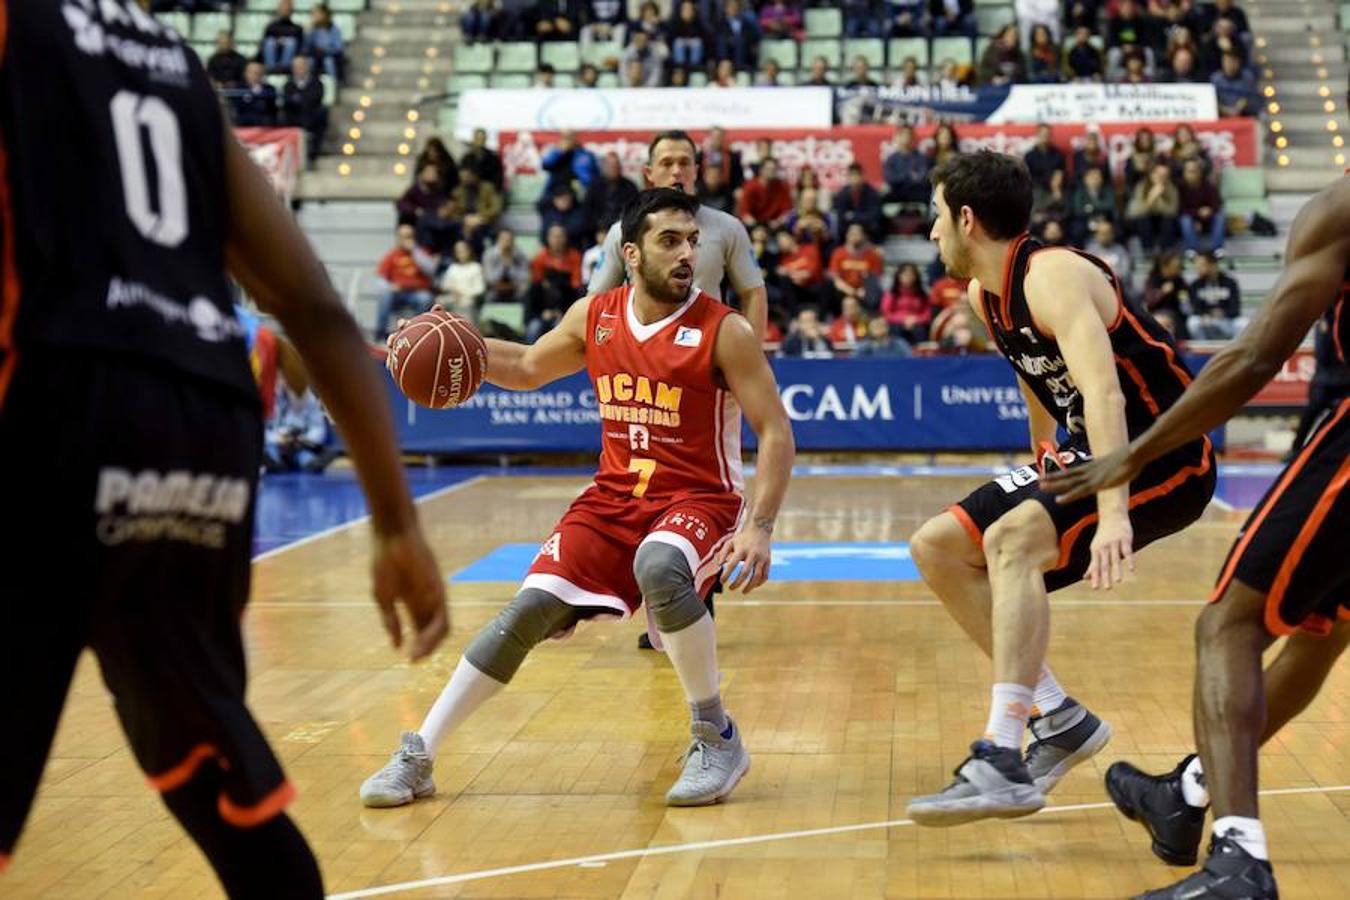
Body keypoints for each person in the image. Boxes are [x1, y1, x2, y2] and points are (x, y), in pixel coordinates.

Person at [0, 5, 446, 895]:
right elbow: (314, 305)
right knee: (214, 780)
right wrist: (397, 524)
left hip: (54, 396)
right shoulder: (169, 59)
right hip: (200, 424)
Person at [360, 188, 794, 809]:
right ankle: (419, 754)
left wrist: (761, 526)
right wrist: (454, 346)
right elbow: (529, 366)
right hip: (613, 497)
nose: (687, 256)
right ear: (631, 253)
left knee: (659, 565)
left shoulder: (726, 331)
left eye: (693, 243)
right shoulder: (596, 314)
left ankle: (716, 734)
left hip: (700, 498)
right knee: (526, 611)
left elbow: (776, 431)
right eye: (670, 241)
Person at [1041, 177, 1350, 900]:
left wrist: (1133, 453)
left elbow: (1253, 359)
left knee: (1227, 625)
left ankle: (1240, 861)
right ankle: (1186, 792)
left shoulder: (1338, 209)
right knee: (1319, 630)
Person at [905, 152, 1216, 826]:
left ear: (966, 218)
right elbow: (1038, 383)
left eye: (936, 218)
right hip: (1086, 448)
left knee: (1011, 541)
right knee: (936, 547)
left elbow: (1103, 391)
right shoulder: (984, 296)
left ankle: (1003, 753)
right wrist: (1039, 465)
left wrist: (1113, 515)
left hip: (1163, 452)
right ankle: (1061, 717)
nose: (931, 235)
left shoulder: (1054, 276)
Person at [589, 131, 767, 344]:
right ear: (649, 173)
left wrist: (750, 353)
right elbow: (597, 301)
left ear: (696, 170)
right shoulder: (621, 231)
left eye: (684, 163)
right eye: (666, 163)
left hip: (705, 354)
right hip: (642, 355)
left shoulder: (728, 227)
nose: (676, 171)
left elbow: (753, 293)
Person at [375, 225, 437, 339]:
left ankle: (417, 334)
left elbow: (430, 270)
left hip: (417, 292)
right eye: (403, 237)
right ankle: (380, 334)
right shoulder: (392, 254)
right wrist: (389, 287)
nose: (406, 239)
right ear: (398, 238)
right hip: (397, 294)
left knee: (425, 298)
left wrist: (414, 251)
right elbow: (381, 278)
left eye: (409, 236)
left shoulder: (420, 252)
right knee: (384, 295)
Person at [526, 224, 584, 342]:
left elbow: (576, 287)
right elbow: (536, 289)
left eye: (560, 236)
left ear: (566, 238)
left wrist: (563, 312)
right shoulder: (539, 258)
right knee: (534, 328)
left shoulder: (575, 257)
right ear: (548, 238)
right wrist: (541, 313)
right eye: (554, 236)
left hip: (565, 309)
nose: (557, 239)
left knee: (560, 330)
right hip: (543, 309)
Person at [263, 383, 335, 474]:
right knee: (271, 453)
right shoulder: (271, 398)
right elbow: (263, 430)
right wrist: (278, 438)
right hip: (277, 443)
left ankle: (311, 462)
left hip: (301, 444)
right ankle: (275, 463)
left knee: (306, 459)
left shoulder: (310, 399)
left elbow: (318, 430)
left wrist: (303, 439)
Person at [1186, 251, 1246, 339]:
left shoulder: (1230, 283)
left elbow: (1235, 307)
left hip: (1226, 320)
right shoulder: (1195, 285)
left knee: (1243, 323)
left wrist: (1223, 313)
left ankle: (1233, 350)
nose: (1197, 268)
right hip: (1206, 321)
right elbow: (1195, 308)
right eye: (1196, 265)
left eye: (1201, 265)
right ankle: (1202, 350)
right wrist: (1207, 314)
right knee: (1193, 322)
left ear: (1212, 265)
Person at [280, 55, 327, 166]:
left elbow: (316, 98)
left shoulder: (317, 83)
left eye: (301, 66)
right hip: (293, 115)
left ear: (307, 67)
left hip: (311, 115)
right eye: (296, 67)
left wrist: (298, 99)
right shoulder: (288, 84)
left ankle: (312, 155)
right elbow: (287, 100)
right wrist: (302, 99)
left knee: (320, 113)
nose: (299, 69)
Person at [827, 223, 885, 314]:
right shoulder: (838, 253)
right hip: (843, 291)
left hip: (864, 291)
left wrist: (864, 289)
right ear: (847, 235)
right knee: (829, 286)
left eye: (857, 234)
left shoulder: (873, 255)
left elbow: (876, 277)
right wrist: (851, 291)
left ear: (864, 236)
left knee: (874, 292)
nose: (854, 236)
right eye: (851, 233)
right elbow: (835, 277)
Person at [1127, 161, 1180, 254]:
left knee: (1168, 220)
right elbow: (1134, 211)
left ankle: (1166, 252)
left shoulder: (1171, 188)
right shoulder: (1141, 186)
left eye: (1165, 176)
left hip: (1162, 221)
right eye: (1159, 175)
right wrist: (1151, 199)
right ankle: (1148, 252)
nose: (1162, 178)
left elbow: (1173, 210)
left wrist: (1160, 199)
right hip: (1145, 220)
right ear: (1152, 174)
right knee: (1143, 220)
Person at [1177, 158, 1226, 256]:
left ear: (1200, 172)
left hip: (1208, 218)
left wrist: (1209, 210)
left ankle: (1217, 250)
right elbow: (1180, 209)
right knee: (1185, 219)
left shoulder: (1209, 186)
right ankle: (1192, 249)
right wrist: (1197, 213)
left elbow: (1217, 205)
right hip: (1190, 219)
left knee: (1220, 216)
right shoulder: (1180, 188)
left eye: (1194, 171)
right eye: (1188, 171)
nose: (1191, 174)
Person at [584, 153, 640, 231]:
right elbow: (587, 211)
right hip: (596, 231)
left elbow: (634, 211)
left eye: (616, 166)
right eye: (610, 166)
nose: (613, 168)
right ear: (604, 167)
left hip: (622, 229)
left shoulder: (630, 187)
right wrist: (598, 230)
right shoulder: (594, 186)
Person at [1144, 250, 1193, 338]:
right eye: (1175, 267)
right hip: (1157, 315)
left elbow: (1185, 305)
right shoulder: (1153, 280)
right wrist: (1162, 292)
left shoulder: (1180, 282)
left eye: (1179, 267)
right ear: (1165, 266)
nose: (1178, 270)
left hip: (1176, 316)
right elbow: (1149, 303)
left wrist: (1183, 299)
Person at [881, 263, 934, 344]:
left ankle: (921, 354)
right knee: (896, 330)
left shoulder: (922, 294)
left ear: (916, 277)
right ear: (898, 276)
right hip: (897, 323)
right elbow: (886, 313)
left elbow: (927, 313)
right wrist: (903, 319)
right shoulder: (891, 293)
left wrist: (916, 319)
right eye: (905, 274)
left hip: (917, 323)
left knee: (920, 331)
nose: (908, 277)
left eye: (911, 274)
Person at [832, 163, 885, 244]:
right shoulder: (842, 194)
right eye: (852, 175)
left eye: (857, 175)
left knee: (875, 226)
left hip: (867, 230)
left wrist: (853, 216)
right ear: (848, 177)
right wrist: (858, 219)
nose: (855, 178)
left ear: (862, 176)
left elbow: (874, 215)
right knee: (839, 228)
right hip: (848, 230)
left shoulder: (872, 193)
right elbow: (841, 217)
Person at [483, 228, 532, 304]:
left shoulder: (520, 255)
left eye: (509, 240)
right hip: (495, 290)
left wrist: (510, 265)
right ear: (498, 240)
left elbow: (524, 277)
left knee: (526, 296)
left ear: (513, 241)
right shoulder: (489, 254)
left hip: (515, 291)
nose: (506, 242)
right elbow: (490, 278)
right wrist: (503, 265)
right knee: (488, 297)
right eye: (503, 239)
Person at [440, 240, 487, 318]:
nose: (461, 254)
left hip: (469, 298)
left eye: (463, 251)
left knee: (467, 303)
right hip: (454, 297)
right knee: (439, 301)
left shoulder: (476, 267)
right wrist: (453, 290)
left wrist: (464, 294)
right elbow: (445, 285)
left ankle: (466, 328)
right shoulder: (453, 268)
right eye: (458, 251)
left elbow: (480, 289)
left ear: (469, 251)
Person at [303, 2, 345, 81]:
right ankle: (309, 84)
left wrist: (326, 50)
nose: (314, 16)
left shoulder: (334, 29)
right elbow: (306, 48)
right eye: (313, 14)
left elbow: (338, 48)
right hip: (315, 56)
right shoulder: (313, 29)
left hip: (330, 56)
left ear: (324, 14)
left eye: (317, 14)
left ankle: (334, 83)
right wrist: (308, 33)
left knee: (328, 61)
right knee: (309, 61)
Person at [261, 0, 304, 73]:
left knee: (291, 42)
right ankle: (271, 68)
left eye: (287, 9)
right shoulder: (271, 26)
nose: (285, 11)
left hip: (291, 57)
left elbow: (300, 45)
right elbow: (263, 43)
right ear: (279, 10)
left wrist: (285, 41)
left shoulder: (297, 28)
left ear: (291, 11)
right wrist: (278, 41)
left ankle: (285, 67)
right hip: (274, 53)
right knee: (269, 42)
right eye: (283, 8)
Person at [1211, 50, 1257, 117]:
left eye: (1233, 61)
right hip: (1220, 115)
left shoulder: (1247, 78)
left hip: (1244, 115)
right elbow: (1212, 100)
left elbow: (1252, 96)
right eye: (1227, 61)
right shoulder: (1215, 79)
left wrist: (1241, 106)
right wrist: (1225, 110)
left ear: (1239, 62)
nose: (1230, 65)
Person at [231, 61, 277, 127]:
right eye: (251, 72)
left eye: (257, 73)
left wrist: (258, 93)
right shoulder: (239, 88)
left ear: (262, 75)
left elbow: (271, 109)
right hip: (244, 123)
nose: (254, 76)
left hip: (264, 125)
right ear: (245, 74)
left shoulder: (270, 89)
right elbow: (238, 107)